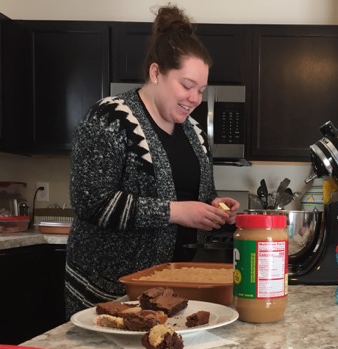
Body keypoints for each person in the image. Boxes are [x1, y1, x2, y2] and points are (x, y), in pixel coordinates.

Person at [64, 4, 239, 319]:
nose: (195, 98)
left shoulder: (195, 133)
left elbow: (197, 197)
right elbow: (92, 201)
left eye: (201, 90)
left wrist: (213, 207)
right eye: (186, 86)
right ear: (156, 73)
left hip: (173, 292)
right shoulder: (109, 117)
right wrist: (176, 212)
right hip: (110, 293)